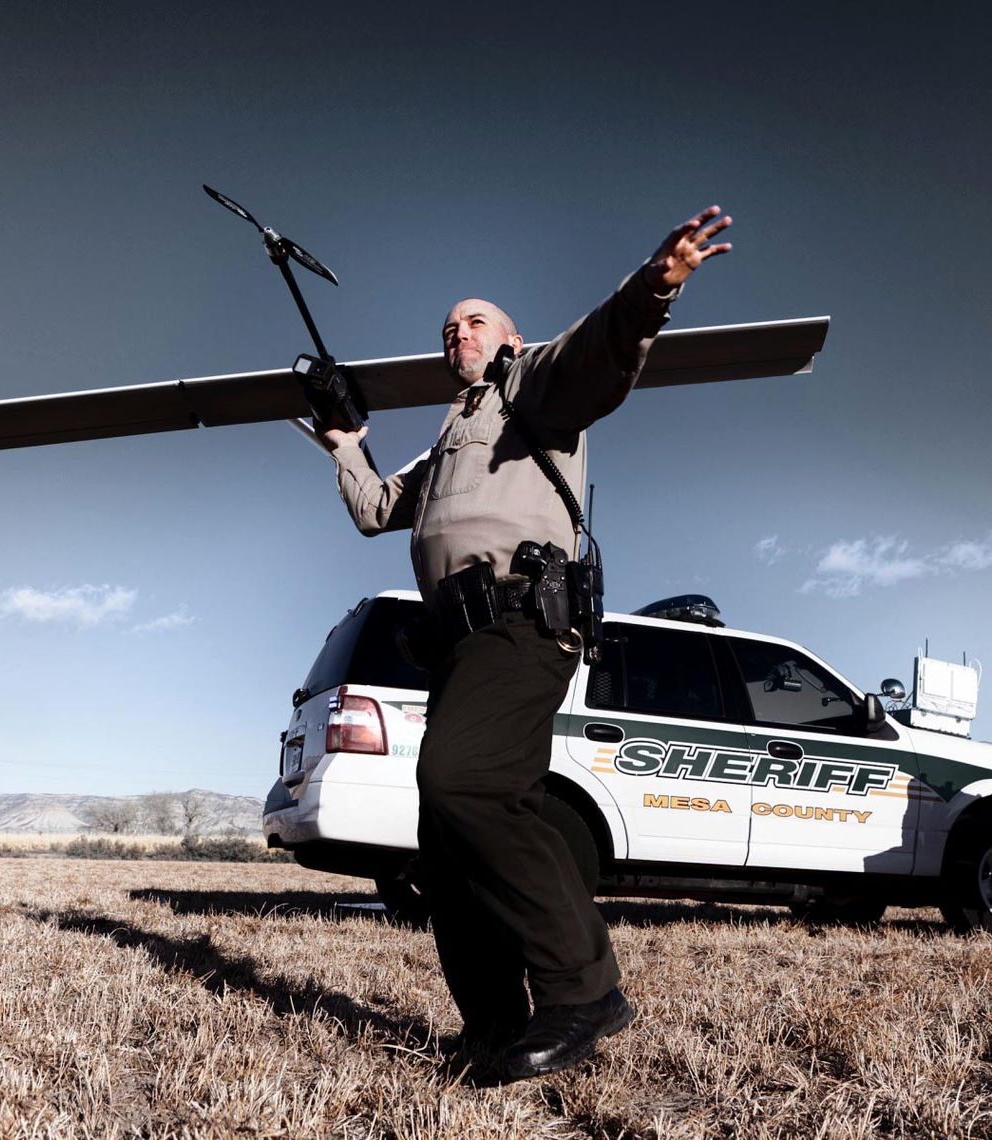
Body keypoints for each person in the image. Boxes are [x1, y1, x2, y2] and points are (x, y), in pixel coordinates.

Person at [317, 205, 733, 1080]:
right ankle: (495, 1021)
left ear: (507, 339)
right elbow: (372, 512)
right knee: (447, 832)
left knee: (463, 783)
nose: (455, 333)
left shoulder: (532, 388)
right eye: (446, 328)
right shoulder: (448, 439)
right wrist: (346, 442)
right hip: (460, 642)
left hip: (521, 622)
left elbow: (601, 354)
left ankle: (584, 992)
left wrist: (653, 291)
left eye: (473, 321)